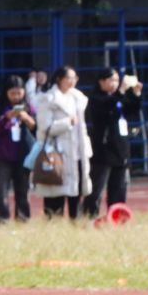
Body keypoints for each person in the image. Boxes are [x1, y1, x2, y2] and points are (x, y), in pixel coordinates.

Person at [31, 66, 91, 220]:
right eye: (69, 78)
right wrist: (67, 122)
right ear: (59, 79)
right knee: (54, 192)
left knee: (76, 192)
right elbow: (45, 127)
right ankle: (53, 224)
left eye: (74, 78)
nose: (72, 81)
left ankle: (76, 222)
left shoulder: (78, 98)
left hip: (77, 152)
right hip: (57, 152)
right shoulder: (48, 99)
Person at [83, 68, 140, 219]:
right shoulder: (96, 98)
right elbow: (108, 106)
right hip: (103, 149)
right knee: (97, 187)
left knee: (119, 187)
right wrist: (121, 91)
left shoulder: (117, 98)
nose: (115, 83)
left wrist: (136, 94)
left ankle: (116, 216)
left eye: (117, 80)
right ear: (101, 82)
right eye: (111, 80)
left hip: (120, 148)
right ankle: (90, 216)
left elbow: (131, 110)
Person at [0, 77, 37, 224]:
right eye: (12, 93)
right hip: (3, 155)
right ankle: (0, 218)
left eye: (19, 93)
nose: (16, 97)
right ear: (5, 92)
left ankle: (23, 217)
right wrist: (6, 118)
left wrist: (26, 118)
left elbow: (37, 127)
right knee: (0, 189)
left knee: (23, 189)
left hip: (23, 154)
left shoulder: (28, 106)